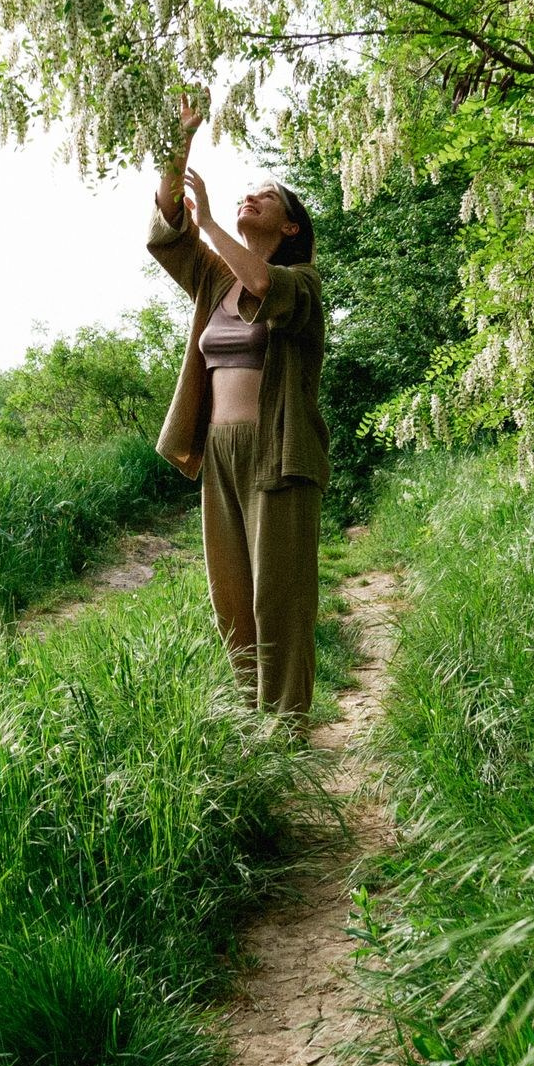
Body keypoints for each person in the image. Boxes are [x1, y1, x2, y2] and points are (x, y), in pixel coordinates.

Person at [146, 93, 329, 719]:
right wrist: (183, 138)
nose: (249, 196)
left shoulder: (302, 284)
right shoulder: (213, 279)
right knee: (230, 597)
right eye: (244, 191)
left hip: (278, 451)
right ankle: (254, 731)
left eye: (266, 195)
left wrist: (212, 228)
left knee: (277, 600)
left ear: (290, 227)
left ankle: (287, 732)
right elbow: (167, 227)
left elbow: (262, 284)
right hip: (218, 452)